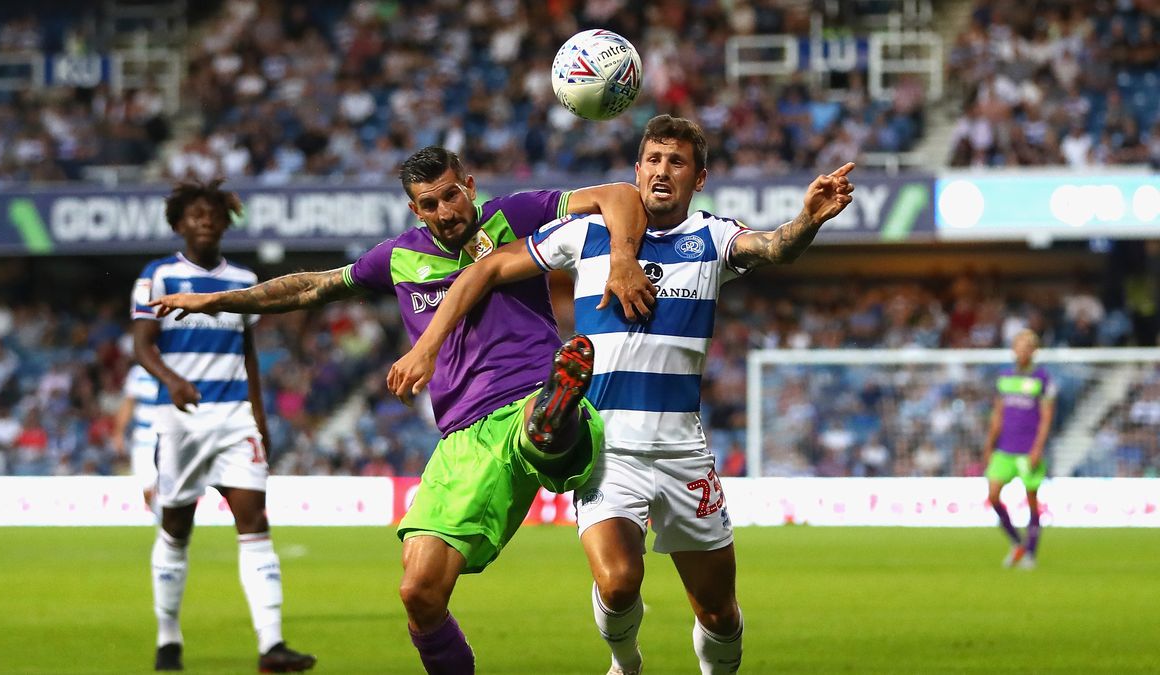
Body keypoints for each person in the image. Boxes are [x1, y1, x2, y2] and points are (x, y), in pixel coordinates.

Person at [147, 146, 654, 674]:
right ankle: (556, 419)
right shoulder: (397, 258)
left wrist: (623, 259)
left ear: (470, 186)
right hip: (461, 440)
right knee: (419, 593)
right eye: (430, 204)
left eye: (452, 195)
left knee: (540, 430)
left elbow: (618, 196)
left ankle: (558, 413)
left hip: (525, 393)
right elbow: (313, 287)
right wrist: (220, 301)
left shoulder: (517, 215)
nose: (445, 212)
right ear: (415, 211)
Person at [388, 115, 855, 675]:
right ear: (636, 171)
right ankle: (625, 663)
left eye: (676, 162)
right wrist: (430, 345)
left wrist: (806, 219)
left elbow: (775, 247)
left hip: (683, 452)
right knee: (617, 581)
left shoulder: (712, 237)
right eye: (653, 160)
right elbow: (486, 270)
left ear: (698, 178)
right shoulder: (585, 236)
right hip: (607, 448)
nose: (662, 171)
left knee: (718, 612)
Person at [133, 179, 317, 673]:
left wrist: (260, 416)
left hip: (236, 417)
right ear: (178, 223)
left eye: (213, 213)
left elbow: (248, 353)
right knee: (176, 528)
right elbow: (143, 345)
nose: (206, 220)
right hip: (182, 422)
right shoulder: (159, 276)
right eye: (195, 214)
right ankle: (168, 638)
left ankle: (272, 646)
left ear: (225, 221)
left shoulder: (244, 279)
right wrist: (172, 380)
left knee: (254, 522)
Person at [981, 329, 1055, 570]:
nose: (1022, 350)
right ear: (1013, 349)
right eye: (1018, 345)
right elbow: (998, 415)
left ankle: (1031, 552)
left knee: (1032, 500)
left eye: (1027, 346)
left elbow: (1046, 418)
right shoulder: (1004, 376)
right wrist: (989, 444)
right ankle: (1017, 542)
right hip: (1004, 448)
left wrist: (1037, 448)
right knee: (993, 496)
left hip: (1027, 449)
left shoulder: (1042, 379)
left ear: (1034, 350)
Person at [112, 363, 160, 512]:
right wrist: (118, 432)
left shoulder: (176, 365)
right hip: (144, 438)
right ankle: (161, 522)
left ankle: (167, 530)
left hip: (168, 436)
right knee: (146, 487)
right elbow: (128, 403)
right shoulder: (138, 372)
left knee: (167, 488)